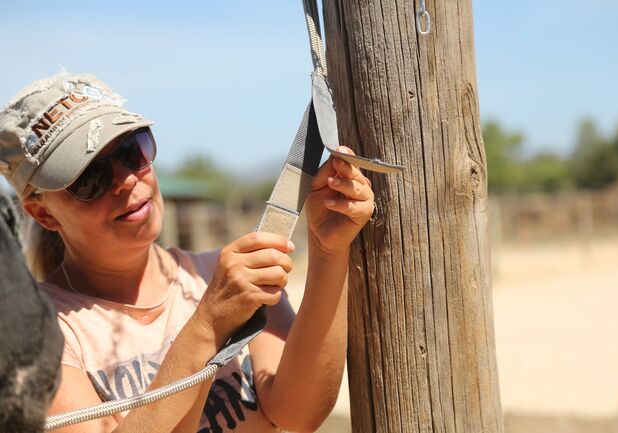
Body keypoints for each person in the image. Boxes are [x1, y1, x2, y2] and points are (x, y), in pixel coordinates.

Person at [0, 72, 375, 433]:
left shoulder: (221, 275)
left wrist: (328, 250)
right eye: (89, 178)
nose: (127, 180)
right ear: (43, 213)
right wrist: (209, 323)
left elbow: (298, 413)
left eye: (133, 151)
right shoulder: (38, 336)